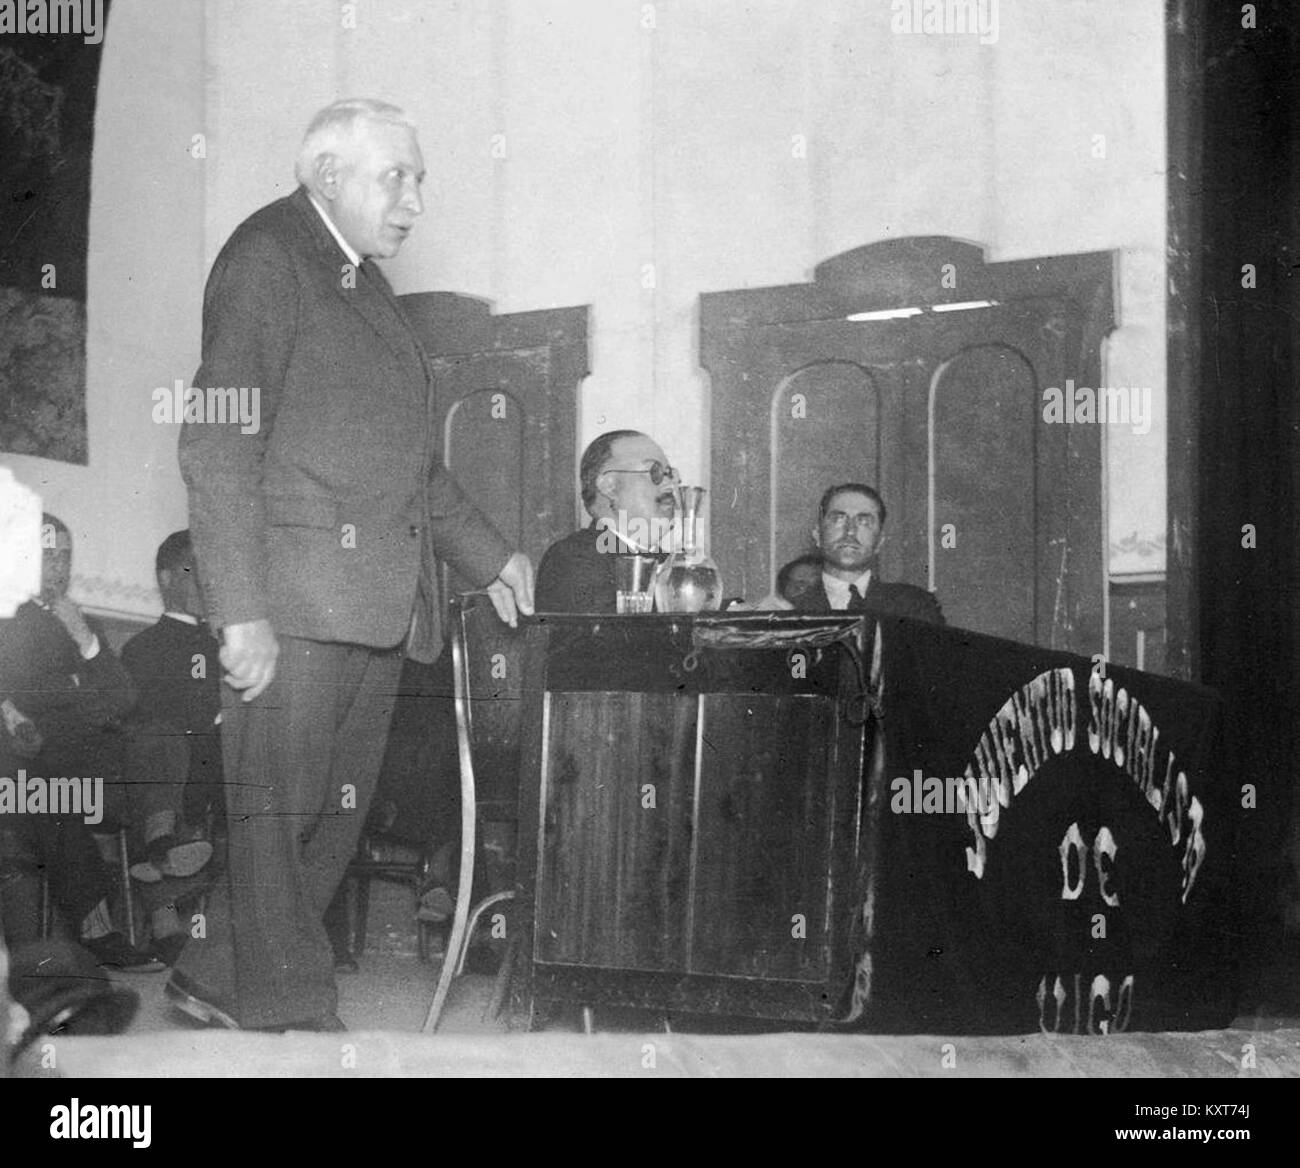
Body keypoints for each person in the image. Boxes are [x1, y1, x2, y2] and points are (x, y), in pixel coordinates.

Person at [168, 98, 534, 1032]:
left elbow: (412, 462)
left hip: (371, 604)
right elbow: (216, 441)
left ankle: (213, 970)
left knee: (328, 820)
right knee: (277, 819)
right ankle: (290, 1014)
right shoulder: (267, 257)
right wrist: (237, 609)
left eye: (420, 180)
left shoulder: (362, 282)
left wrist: (490, 557)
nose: (414, 200)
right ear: (328, 175)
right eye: (395, 177)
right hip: (291, 601)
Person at [535, 429, 677, 612]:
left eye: (670, 474)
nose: (670, 485)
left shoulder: (672, 564)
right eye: (654, 472)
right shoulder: (571, 559)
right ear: (609, 486)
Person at [773, 483, 944, 623]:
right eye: (838, 519)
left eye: (864, 522)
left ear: (879, 542)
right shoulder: (790, 610)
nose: (850, 532)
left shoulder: (915, 606)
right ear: (818, 535)